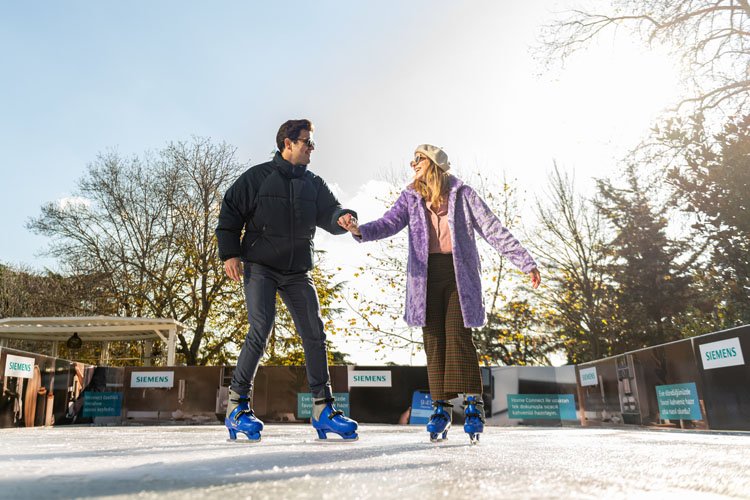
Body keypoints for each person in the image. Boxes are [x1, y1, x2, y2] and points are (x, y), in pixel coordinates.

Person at [339, 144, 541, 444]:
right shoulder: (410, 197)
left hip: (459, 275)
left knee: (458, 333)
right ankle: (441, 408)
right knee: (433, 339)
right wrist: (359, 230)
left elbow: (493, 229)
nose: (413, 165)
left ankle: (473, 404)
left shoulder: (463, 194)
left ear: (433, 163)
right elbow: (388, 223)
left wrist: (525, 261)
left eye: (417, 160)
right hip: (425, 277)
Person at [216, 119, 359, 442]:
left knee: (314, 332)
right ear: (287, 143)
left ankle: (323, 409)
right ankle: (237, 406)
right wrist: (230, 253)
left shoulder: (313, 183)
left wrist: (344, 218)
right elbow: (230, 214)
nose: (311, 148)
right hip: (261, 266)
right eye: (307, 142)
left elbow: (330, 212)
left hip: (297, 271)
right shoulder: (257, 178)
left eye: (311, 142)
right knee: (261, 329)